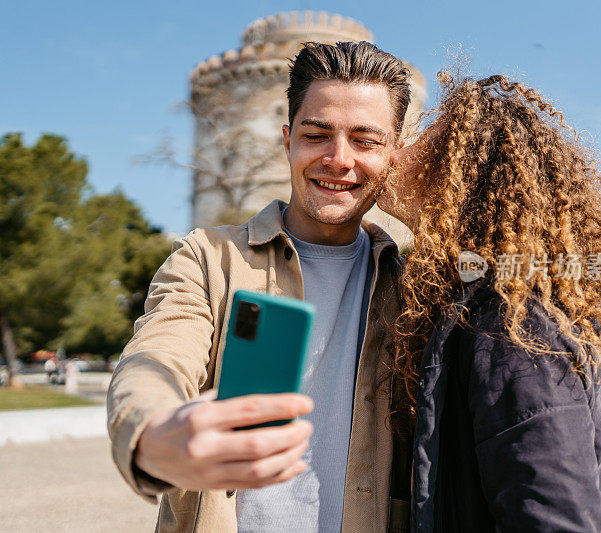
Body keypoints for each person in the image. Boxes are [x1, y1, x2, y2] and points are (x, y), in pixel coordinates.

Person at [107, 41, 412, 532]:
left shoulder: (414, 277)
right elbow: (154, 359)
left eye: (365, 141)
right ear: (287, 140)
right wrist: (152, 434)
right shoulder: (207, 258)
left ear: (397, 155)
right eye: (317, 135)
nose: (338, 159)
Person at [377, 72, 601, 531]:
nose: (398, 152)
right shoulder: (486, 305)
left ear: (460, 177)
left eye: (424, 140)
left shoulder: (511, 328)